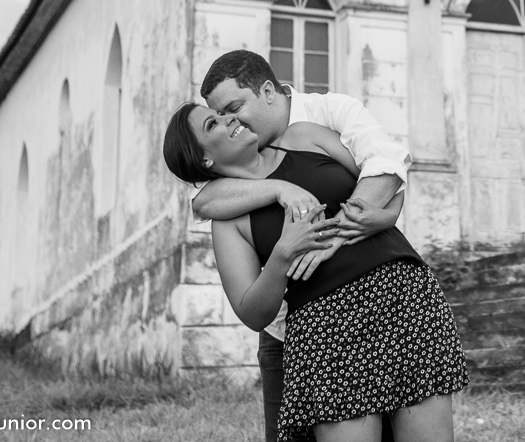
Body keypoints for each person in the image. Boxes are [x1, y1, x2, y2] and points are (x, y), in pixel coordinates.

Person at [164, 104, 467, 441]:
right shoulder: (227, 219)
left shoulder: (302, 137)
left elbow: (386, 175)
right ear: (204, 159)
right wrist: (281, 256)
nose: (229, 117)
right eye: (213, 123)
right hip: (325, 329)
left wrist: (386, 215)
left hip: (401, 297)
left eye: (224, 112)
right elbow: (251, 312)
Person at [190, 51, 411, 442]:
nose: (232, 121)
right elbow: (203, 203)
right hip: (294, 332)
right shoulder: (237, 168)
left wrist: (356, 227)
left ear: (269, 91)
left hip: (387, 301)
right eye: (219, 115)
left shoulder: (326, 115)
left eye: (234, 108)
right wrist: (279, 188)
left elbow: (385, 166)